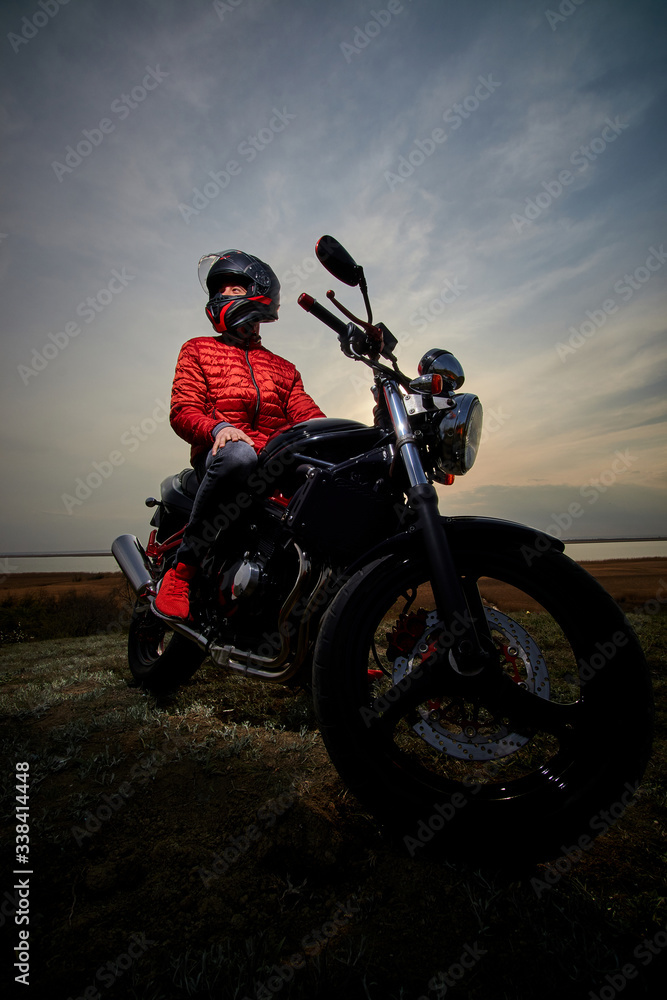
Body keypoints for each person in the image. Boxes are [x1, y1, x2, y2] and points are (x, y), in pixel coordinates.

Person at [154, 249, 325, 620]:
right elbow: (183, 409)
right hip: (222, 455)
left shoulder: (284, 369)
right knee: (238, 454)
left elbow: (310, 419)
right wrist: (218, 427)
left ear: (259, 291)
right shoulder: (198, 349)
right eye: (218, 291)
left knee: (329, 486)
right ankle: (182, 573)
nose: (221, 297)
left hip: (273, 462)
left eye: (231, 289)